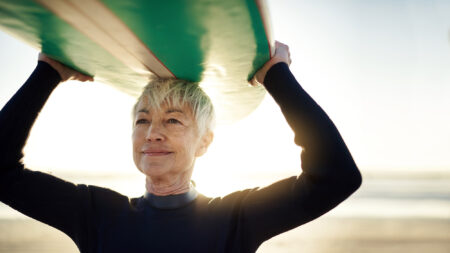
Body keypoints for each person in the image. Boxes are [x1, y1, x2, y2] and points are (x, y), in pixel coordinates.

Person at [0, 41, 362, 253]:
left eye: (173, 120)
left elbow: (336, 177)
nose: (152, 133)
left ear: (205, 141)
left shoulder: (236, 219)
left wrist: (277, 75)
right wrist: (46, 73)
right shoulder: (95, 214)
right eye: (142, 120)